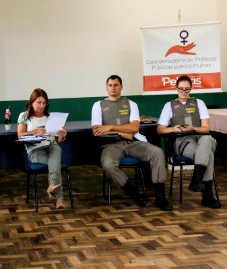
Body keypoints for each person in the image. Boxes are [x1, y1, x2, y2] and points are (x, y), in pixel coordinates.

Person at [91, 75, 172, 211]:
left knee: (157, 152)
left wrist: (110, 127)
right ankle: (134, 194)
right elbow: (97, 131)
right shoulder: (98, 105)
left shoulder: (131, 104)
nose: (113, 88)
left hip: (134, 142)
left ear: (121, 87)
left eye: (116, 85)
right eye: (110, 85)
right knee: (108, 164)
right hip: (111, 145)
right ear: (106, 87)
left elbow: (134, 128)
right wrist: (122, 132)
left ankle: (160, 197)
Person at [157, 75, 221, 209]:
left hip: (201, 137)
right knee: (209, 154)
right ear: (176, 89)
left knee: (207, 139)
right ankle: (207, 196)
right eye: (181, 89)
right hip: (182, 141)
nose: (184, 92)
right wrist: (172, 128)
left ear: (191, 89)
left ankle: (197, 180)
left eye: (187, 89)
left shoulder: (199, 103)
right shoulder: (169, 105)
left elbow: (206, 129)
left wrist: (194, 128)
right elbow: (160, 130)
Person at [17, 88, 68, 209]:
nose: (41, 106)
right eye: (38, 102)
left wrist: (62, 136)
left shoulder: (50, 117)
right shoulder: (24, 116)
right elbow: (19, 135)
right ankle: (59, 198)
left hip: (50, 146)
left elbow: (57, 140)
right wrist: (34, 131)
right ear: (31, 102)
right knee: (55, 163)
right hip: (34, 150)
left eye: (44, 103)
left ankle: (52, 185)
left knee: (57, 149)